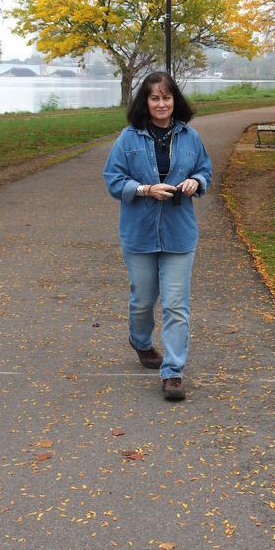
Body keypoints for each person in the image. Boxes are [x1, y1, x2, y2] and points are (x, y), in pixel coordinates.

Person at [103, 70, 212, 400]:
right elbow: (113, 179)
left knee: (177, 304)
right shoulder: (129, 138)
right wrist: (145, 189)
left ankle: (173, 370)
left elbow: (204, 169)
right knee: (143, 301)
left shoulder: (190, 137)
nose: (162, 103)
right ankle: (141, 342)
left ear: (174, 100)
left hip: (179, 235)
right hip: (139, 234)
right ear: (145, 102)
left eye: (167, 97)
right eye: (155, 98)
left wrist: (197, 181)